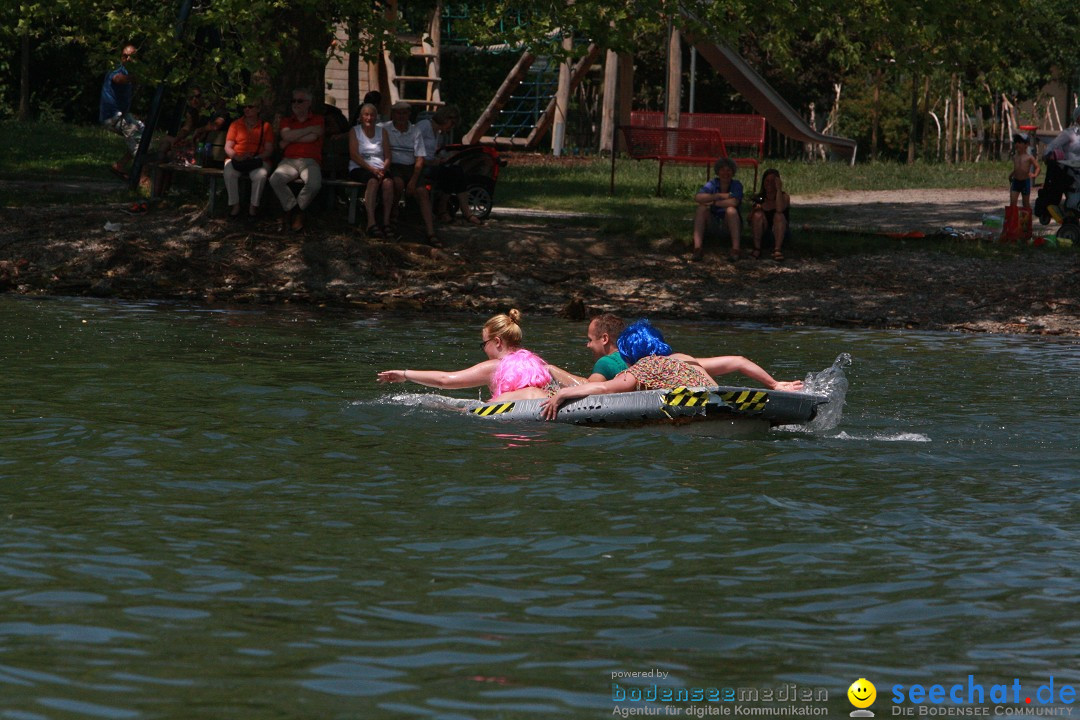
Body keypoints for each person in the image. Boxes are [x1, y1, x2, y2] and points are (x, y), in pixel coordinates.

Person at [540, 319, 803, 420]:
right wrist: (774, 385)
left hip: (705, 413)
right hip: (721, 400)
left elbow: (603, 388)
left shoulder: (643, 368)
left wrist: (561, 395)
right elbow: (738, 360)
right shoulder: (684, 358)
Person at [376, 309, 562, 400]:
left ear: (497, 342)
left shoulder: (496, 366)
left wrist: (405, 374)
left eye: (484, 344)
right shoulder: (535, 363)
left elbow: (445, 380)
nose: (484, 350)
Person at [415, 104, 484, 230]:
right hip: (420, 166)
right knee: (453, 172)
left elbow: (434, 152)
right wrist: (431, 162)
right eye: (451, 124)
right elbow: (413, 149)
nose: (450, 128)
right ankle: (447, 209)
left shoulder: (438, 133)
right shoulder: (424, 126)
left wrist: (443, 158)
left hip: (432, 164)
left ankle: (458, 210)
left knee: (456, 170)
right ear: (446, 119)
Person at [270, 88, 324, 231]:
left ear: (309, 103)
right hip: (289, 161)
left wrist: (290, 139)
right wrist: (308, 129)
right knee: (275, 179)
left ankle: (296, 211)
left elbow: (312, 137)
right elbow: (286, 136)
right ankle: (295, 210)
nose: (295, 104)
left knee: (314, 184)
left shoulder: (318, 119)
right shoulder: (286, 121)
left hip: (310, 161)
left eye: (300, 101)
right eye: (293, 101)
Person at [381, 100, 430, 241]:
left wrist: (414, 180)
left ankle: (430, 230)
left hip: (410, 166)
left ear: (409, 114)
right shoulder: (385, 128)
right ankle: (393, 212)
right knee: (397, 183)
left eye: (404, 113)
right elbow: (365, 130)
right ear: (393, 114)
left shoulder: (415, 131)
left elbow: (420, 158)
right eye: (398, 113)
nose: (401, 116)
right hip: (394, 165)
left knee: (422, 192)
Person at [347, 102, 394, 237]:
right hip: (360, 167)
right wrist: (372, 170)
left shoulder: (382, 132)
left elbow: (388, 155)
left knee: (388, 183)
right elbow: (354, 155)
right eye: (366, 115)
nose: (369, 118)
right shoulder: (355, 131)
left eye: (372, 115)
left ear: (376, 117)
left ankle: (386, 222)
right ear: (361, 117)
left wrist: (384, 169)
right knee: (372, 181)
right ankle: (371, 223)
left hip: (380, 168)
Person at [99, 44, 144, 181]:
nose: (128, 59)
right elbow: (117, 79)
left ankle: (120, 165)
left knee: (143, 131)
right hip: (112, 117)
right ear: (121, 57)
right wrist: (135, 78)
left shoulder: (130, 73)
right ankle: (143, 177)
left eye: (132, 57)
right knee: (139, 141)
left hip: (122, 115)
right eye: (125, 56)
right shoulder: (118, 70)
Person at [223, 102, 274, 220]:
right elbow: (227, 147)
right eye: (244, 107)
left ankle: (253, 207)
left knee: (260, 175)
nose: (246, 109)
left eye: (250, 106)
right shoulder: (235, 124)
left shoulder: (265, 126)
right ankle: (235, 206)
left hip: (257, 159)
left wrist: (256, 157)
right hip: (237, 159)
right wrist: (237, 157)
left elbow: (269, 150)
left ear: (258, 109)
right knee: (229, 173)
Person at [691, 157, 743, 262]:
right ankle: (697, 248)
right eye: (722, 170)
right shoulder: (713, 184)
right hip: (713, 222)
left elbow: (734, 202)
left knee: (731, 210)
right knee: (701, 209)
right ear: (718, 172)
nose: (725, 173)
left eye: (728, 170)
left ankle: (736, 250)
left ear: (733, 172)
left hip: (729, 224)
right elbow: (698, 197)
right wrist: (718, 195)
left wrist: (713, 203)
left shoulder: (736, 185)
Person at [1035, 107, 1080, 223]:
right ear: (1078, 118)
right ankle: (1069, 211)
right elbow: (1051, 147)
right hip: (1071, 172)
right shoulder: (1069, 134)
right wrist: (1047, 155)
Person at [749, 168, 791, 262]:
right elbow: (749, 220)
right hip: (763, 233)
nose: (769, 183)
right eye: (767, 181)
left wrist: (779, 190)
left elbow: (780, 209)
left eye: (773, 181)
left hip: (781, 234)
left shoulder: (784, 197)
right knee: (757, 215)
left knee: (778, 215)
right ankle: (757, 248)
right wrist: (754, 211)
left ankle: (777, 249)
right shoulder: (759, 198)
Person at [585, 313, 627, 381]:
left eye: (590, 340)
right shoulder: (633, 359)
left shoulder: (606, 363)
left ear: (604, 339)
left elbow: (585, 389)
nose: (588, 345)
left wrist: (560, 373)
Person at [1008, 134, 1040, 211]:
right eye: (1016, 142)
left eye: (1019, 142)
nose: (1017, 144)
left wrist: (1035, 174)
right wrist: (1011, 175)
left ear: (1026, 145)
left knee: (1025, 203)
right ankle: (1013, 221)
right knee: (1012, 202)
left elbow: (1038, 167)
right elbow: (1017, 168)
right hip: (1016, 181)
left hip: (1025, 182)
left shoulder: (1029, 157)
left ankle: (1027, 221)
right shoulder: (1015, 156)